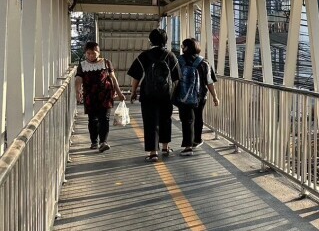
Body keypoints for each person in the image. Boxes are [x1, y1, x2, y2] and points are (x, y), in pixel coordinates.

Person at [128, 29, 180, 162]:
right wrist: (172, 92)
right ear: (165, 40)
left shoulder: (144, 55)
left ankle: (153, 153)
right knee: (165, 120)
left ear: (150, 40)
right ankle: (165, 147)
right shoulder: (170, 55)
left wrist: (134, 92)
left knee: (150, 122)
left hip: (148, 94)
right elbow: (176, 78)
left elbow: (136, 76)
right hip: (166, 95)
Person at [74, 42, 125, 152]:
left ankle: (103, 142)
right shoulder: (82, 65)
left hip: (106, 95)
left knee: (104, 119)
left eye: (94, 53)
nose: (91, 56)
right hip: (90, 97)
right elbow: (78, 78)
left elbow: (113, 78)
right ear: (85, 53)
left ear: (98, 52)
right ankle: (94, 141)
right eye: (88, 53)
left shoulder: (106, 63)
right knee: (92, 120)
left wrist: (119, 93)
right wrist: (78, 91)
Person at [175, 38, 220, 156]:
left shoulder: (178, 61)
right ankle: (197, 139)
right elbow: (210, 82)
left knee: (187, 120)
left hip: (183, 96)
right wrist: (215, 97)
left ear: (185, 48)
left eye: (182, 46)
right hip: (200, 96)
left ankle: (188, 147)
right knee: (198, 117)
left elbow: (173, 79)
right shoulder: (204, 62)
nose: (181, 48)